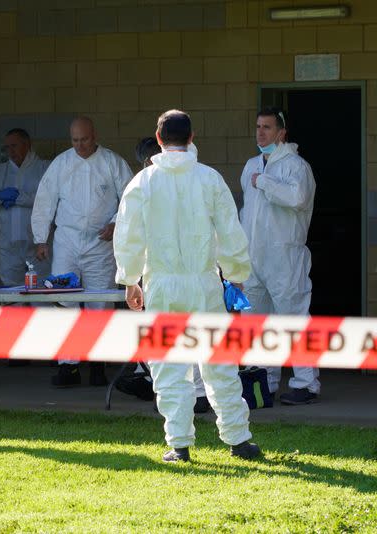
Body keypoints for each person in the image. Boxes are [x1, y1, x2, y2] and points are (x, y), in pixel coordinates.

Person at [114, 110, 261, 462]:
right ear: (192, 137)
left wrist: (130, 281)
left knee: (168, 365)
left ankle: (179, 444)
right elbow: (230, 229)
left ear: (159, 138)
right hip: (204, 282)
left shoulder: (142, 182)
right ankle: (238, 439)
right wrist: (236, 272)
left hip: (161, 284)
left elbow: (128, 237)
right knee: (219, 362)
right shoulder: (209, 179)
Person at [31, 116, 133, 387]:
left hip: (100, 244)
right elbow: (45, 200)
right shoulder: (62, 163)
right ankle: (69, 365)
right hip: (67, 240)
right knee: (64, 301)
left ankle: (98, 364)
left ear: (94, 135)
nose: (79, 145)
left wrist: (116, 223)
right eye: (75, 140)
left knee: (99, 302)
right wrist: (41, 238)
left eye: (84, 139)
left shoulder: (112, 162)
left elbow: (131, 199)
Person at [240, 108, 318, 405]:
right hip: (254, 256)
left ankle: (306, 383)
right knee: (255, 320)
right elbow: (248, 212)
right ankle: (265, 381)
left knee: (293, 318)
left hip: (285, 255)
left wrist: (265, 182)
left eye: (267, 127)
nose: (261, 133)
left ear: (282, 133)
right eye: (258, 126)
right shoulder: (250, 165)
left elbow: (297, 198)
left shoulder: (297, 167)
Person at [0, 128, 51, 286]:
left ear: (27, 144)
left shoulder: (44, 168)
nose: (10, 151)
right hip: (9, 246)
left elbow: (51, 199)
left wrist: (20, 198)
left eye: (14, 146)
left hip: (38, 245)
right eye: (7, 147)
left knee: (43, 293)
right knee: (11, 294)